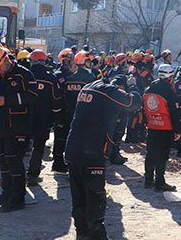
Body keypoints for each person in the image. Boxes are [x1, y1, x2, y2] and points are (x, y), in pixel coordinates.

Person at [65, 74, 142, 240]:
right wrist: (133, 86)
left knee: (79, 197)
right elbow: (133, 103)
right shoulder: (107, 91)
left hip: (73, 149)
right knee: (95, 197)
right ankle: (96, 235)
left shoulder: (88, 87)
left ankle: (82, 234)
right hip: (92, 151)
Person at [0, 46, 38, 212]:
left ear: (6, 60)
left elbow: (32, 96)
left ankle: (18, 198)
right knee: (2, 160)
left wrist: (6, 100)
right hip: (1, 125)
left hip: (18, 125)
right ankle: (6, 193)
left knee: (13, 160)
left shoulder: (24, 74)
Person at [27, 49, 62, 186]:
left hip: (23, 117)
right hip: (43, 118)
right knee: (38, 147)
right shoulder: (50, 78)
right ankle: (32, 176)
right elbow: (56, 100)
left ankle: (16, 175)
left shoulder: (25, 75)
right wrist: (57, 115)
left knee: (19, 147)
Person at [143, 64, 181, 191]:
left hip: (152, 126)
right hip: (166, 128)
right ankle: (160, 182)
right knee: (162, 156)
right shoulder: (169, 92)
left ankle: (148, 180)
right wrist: (177, 130)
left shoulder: (149, 88)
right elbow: (174, 113)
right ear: (169, 77)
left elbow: (144, 108)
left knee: (150, 153)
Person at [52, 48, 76, 173]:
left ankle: (64, 161)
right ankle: (57, 162)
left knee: (68, 138)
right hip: (61, 112)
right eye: (71, 60)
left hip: (70, 111)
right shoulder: (58, 76)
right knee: (60, 138)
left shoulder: (73, 75)